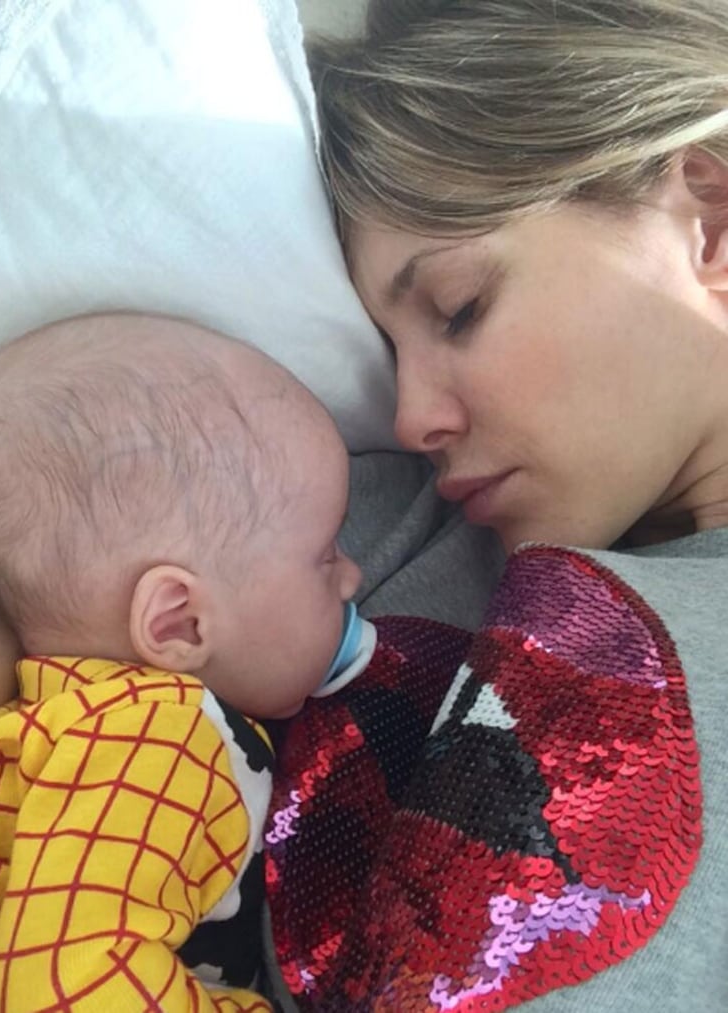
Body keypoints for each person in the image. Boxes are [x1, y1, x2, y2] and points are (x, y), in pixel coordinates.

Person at [258, 2, 728, 1011]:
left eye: (460, 308)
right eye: (387, 355)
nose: (415, 413)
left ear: (709, 221)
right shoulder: (338, 531)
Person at [0, 311, 372, 1011]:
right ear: (179, 621)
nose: (353, 578)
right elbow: (70, 988)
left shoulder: (78, 727)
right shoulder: (156, 738)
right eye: (324, 554)